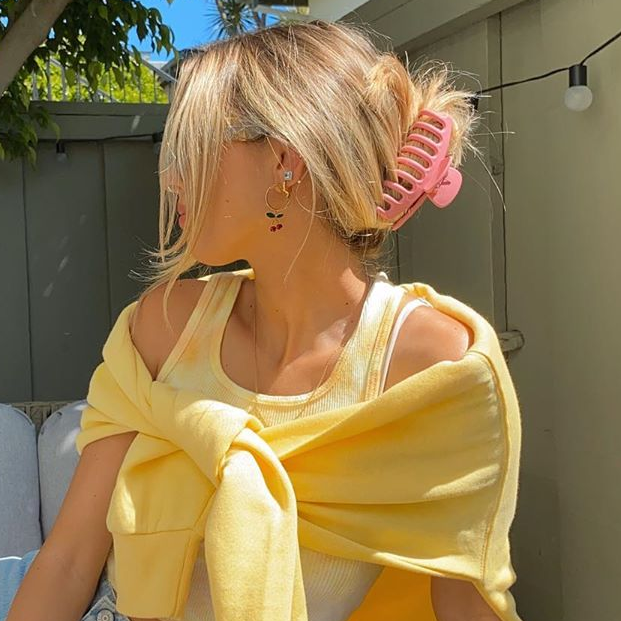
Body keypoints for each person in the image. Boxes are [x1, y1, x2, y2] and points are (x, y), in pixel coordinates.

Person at [2, 18, 517, 621]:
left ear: (284, 162)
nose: (169, 177)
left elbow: (464, 600)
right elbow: (69, 561)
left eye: (191, 149)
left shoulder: (436, 369)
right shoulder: (163, 326)